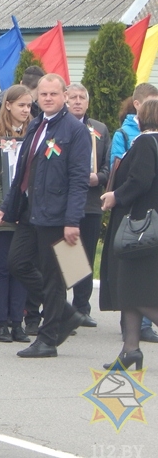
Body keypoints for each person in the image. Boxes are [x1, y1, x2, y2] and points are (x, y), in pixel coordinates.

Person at [0, 74, 90, 358]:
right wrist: (7, 207)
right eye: (44, 94)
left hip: (56, 215)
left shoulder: (74, 130)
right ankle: (66, 312)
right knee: (17, 262)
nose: (48, 98)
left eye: (54, 94)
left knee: (53, 278)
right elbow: (23, 173)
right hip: (29, 212)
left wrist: (72, 221)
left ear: (64, 95)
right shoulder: (36, 124)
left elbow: (78, 179)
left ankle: (48, 339)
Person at [99, 98, 158, 370]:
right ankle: (130, 348)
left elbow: (140, 180)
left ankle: (131, 348)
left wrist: (116, 196)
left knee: (139, 292)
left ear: (142, 116)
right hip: (148, 227)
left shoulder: (147, 142)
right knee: (131, 288)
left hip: (139, 227)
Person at [0, 85, 32, 343]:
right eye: (21, 105)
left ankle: (18, 321)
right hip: (2, 214)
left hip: (27, 215)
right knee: (2, 267)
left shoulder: (35, 133)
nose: (26, 110)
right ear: (8, 105)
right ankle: (1, 322)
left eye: (28, 106)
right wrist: (6, 207)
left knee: (20, 268)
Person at [66, 83, 110, 328]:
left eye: (82, 98)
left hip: (91, 202)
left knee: (87, 255)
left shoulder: (99, 129)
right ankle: (63, 309)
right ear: (66, 100)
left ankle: (82, 307)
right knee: (68, 256)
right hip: (66, 202)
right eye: (73, 97)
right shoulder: (60, 127)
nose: (78, 101)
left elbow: (107, 164)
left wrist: (99, 177)